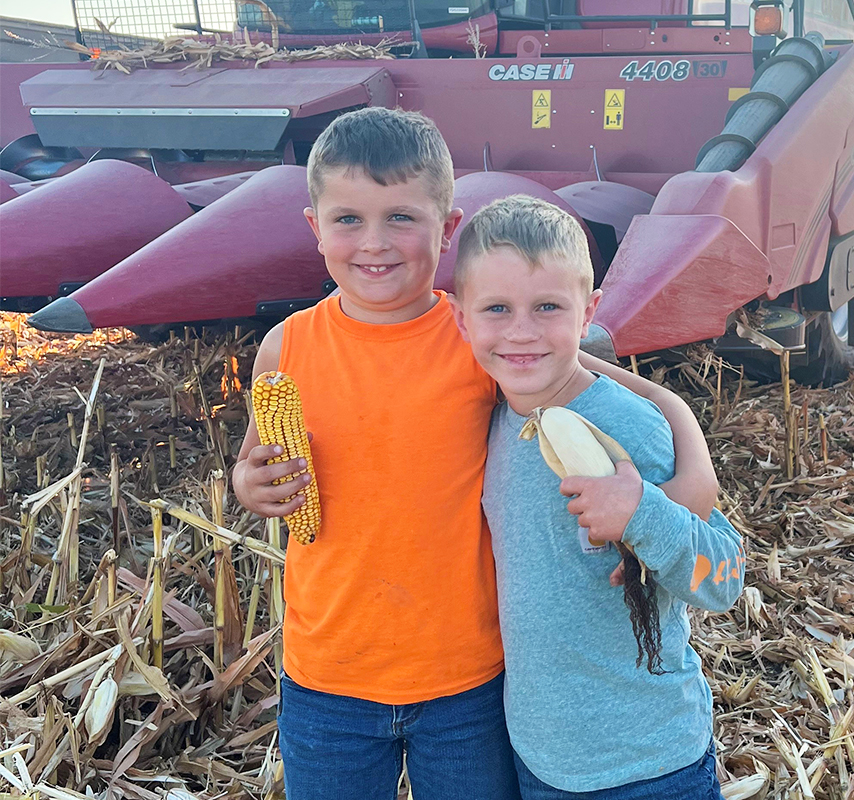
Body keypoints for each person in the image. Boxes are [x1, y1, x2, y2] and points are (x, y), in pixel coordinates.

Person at [230, 107, 719, 800]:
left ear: (447, 229)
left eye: (401, 218)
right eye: (348, 220)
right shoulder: (286, 347)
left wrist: (690, 476)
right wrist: (248, 485)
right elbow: (256, 464)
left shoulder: (478, 336)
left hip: (466, 679)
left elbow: (633, 392)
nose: (374, 243)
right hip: (327, 673)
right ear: (315, 228)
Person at [449, 194, 745, 800]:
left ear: (589, 312)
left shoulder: (627, 428)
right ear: (461, 318)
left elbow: (726, 576)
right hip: (539, 758)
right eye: (497, 309)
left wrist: (643, 513)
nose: (522, 332)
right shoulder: (492, 420)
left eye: (548, 307)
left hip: (648, 763)